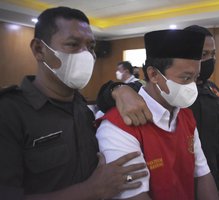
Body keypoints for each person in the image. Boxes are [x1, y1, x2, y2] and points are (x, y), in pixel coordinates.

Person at [0, 6, 149, 200]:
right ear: (39, 50)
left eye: (91, 47)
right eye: (73, 44)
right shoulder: (9, 112)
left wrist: (119, 89)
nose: (86, 55)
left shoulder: (81, 107)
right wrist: (92, 190)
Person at [96, 29, 219, 200]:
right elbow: (133, 191)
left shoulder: (185, 116)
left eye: (195, 78)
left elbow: (203, 173)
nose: (192, 86)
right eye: (185, 78)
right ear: (153, 75)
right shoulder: (119, 126)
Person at [185, 25, 219, 200]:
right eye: (203, 55)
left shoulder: (213, 90)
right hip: (180, 177)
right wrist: (118, 89)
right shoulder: (171, 90)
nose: (210, 61)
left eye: (212, 54)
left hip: (211, 170)